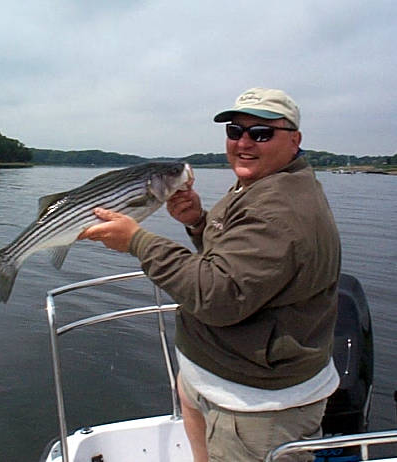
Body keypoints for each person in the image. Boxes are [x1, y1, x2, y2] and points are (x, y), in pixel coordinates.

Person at [79, 87, 341, 462]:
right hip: (215, 375)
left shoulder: (279, 207)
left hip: (253, 402)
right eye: (235, 131)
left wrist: (137, 241)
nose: (244, 142)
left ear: (294, 140)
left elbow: (216, 296)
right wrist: (198, 223)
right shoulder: (263, 184)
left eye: (262, 133)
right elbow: (242, 262)